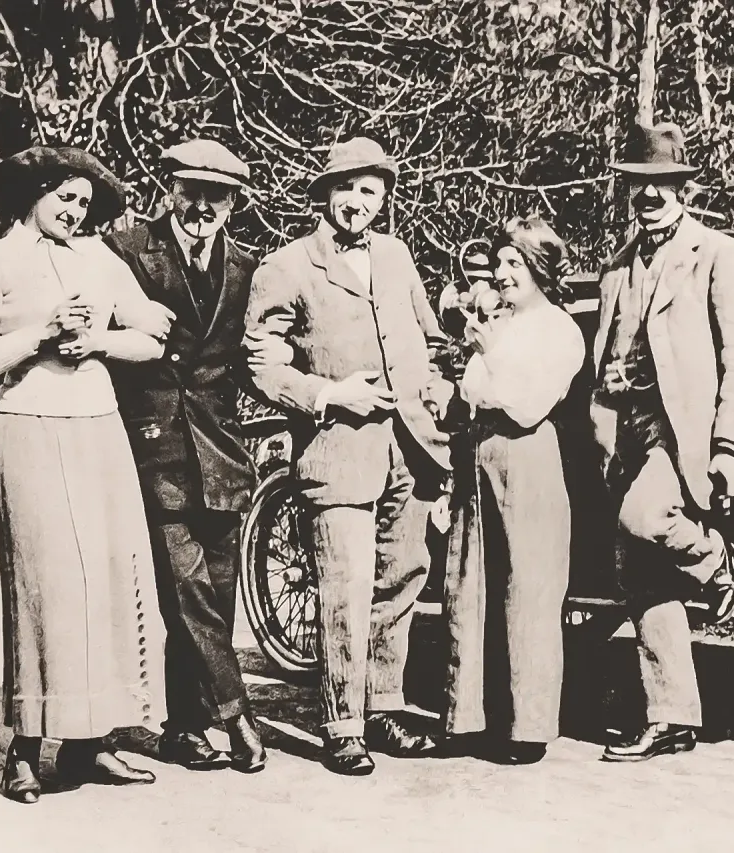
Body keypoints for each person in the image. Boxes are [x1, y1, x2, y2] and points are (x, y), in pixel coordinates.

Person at [0, 146, 171, 803]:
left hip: (99, 426)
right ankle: (24, 749)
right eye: (64, 197)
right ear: (35, 193)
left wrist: (98, 340)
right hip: (27, 425)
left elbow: (154, 335)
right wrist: (40, 335)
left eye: (83, 203)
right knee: (44, 586)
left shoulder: (98, 258)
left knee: (104, 579)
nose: (74, 211)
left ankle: (88, 744)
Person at [244, 136, 453, 776]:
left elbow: (430, 339)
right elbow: (261, 363)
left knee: (401, 579)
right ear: (324, 195)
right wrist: (330, 394)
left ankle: (384, 707)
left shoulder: (396, 256)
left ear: (384, 199)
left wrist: (437, 388)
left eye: (370, 191)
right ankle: (343, 725)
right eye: (346, 188)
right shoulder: (285, 267)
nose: (357, 202)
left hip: (411, 449)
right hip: (338, 450)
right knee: (346, 585)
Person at [590, 122, 734, 762]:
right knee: (637, 570)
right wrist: (610, 383)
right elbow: (609, 352)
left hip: (685, 433)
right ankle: (671, 718)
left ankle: (717, 565)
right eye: (639, 184)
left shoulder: (719, 255)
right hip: (627, 432)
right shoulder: (617, 267)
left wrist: (727, 446)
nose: (649, 195)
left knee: (646, 518)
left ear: (683, 190)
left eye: (662, 184)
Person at [105, 139, 273, 773]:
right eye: (191, 192)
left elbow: (252, 361)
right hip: (154, 444)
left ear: (234, 203)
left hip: (221, 450)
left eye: (217, 196)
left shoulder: (248, 268)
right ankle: (236, 714)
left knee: (217, 594)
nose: (202, 207)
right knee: (187, 589)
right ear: (170, 190)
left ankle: (184, 728)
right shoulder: (125, 250)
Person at [442, 217, 585, 765]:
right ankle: (469, 719)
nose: (501, 273)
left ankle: (528, 730)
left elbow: (528, 403)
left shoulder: (559, 330)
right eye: (499, 262)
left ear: (541, 269)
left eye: (514, 263)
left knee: (528, 587)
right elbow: (473, 390)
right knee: (470, 582)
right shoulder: (500, 324)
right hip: (480, 453)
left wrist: (492, 352)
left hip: (527, 455)